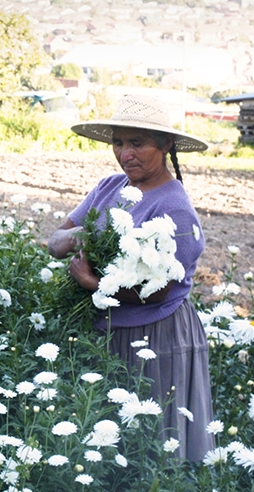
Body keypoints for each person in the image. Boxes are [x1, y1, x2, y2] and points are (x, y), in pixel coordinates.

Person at [46, 94, 215, 463]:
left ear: (165, 144)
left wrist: (93, 285)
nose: (125, 154)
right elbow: (56, 241)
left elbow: (157, 292)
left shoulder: (173, 209)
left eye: (137, 143)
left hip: (155, 337)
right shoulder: (109, 188)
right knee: (105, 444)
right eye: (119, 143)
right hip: (106, 331)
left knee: (153, 441)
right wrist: (85, 237)